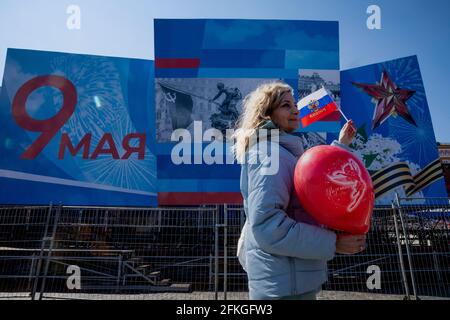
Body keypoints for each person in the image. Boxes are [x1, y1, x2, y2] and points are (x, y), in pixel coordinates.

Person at [233, 82, 366, 300]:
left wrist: (341, 146)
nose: (296, 110)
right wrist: (333, 243)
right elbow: (268, 227)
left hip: (290, 282)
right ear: (268, 114)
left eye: (294, 104)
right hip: (284, 287)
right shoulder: (268, 153)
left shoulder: (281, 151)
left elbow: (311, 184)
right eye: (286, 105)